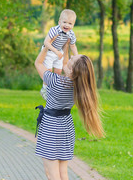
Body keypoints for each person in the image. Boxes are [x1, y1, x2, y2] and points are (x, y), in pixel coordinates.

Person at [34, 41, 104, 180]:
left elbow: (38, 64)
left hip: (51, 127)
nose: (70, 57)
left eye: (72, 58)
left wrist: (46, 47)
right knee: (63, 173)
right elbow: (68, 65)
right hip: (65, 127)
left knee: (52, 175)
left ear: (71, 70)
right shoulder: (80, 86)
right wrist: (66, 50)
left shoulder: (55, 81)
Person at [40, 9, 78, 100]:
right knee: (48, 72)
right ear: (59, 22)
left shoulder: (71, 34)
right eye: (64, 22)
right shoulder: (54, 30)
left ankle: (53, 90)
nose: (66, 25)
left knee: (58, 72)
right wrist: (55, 51)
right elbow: (46, 42)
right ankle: (44, 89)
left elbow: (73, 46)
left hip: (59, 53)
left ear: (73, 25)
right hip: (49, 51)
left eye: (70, 23)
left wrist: (77, 56)